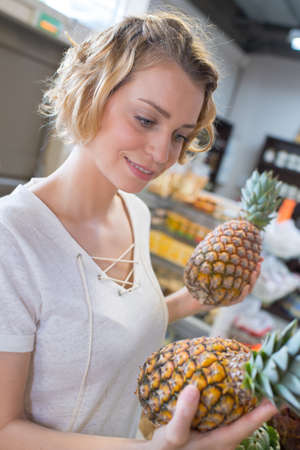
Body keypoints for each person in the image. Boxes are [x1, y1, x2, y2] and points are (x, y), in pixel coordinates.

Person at [0, 11, 277, 450]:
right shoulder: (11, 237)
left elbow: (93, 331)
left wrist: (189, 302)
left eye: (181, 135)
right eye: (147, 120)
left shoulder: (134, 211)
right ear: (92, 92)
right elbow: (4, 430)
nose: (162, 152)